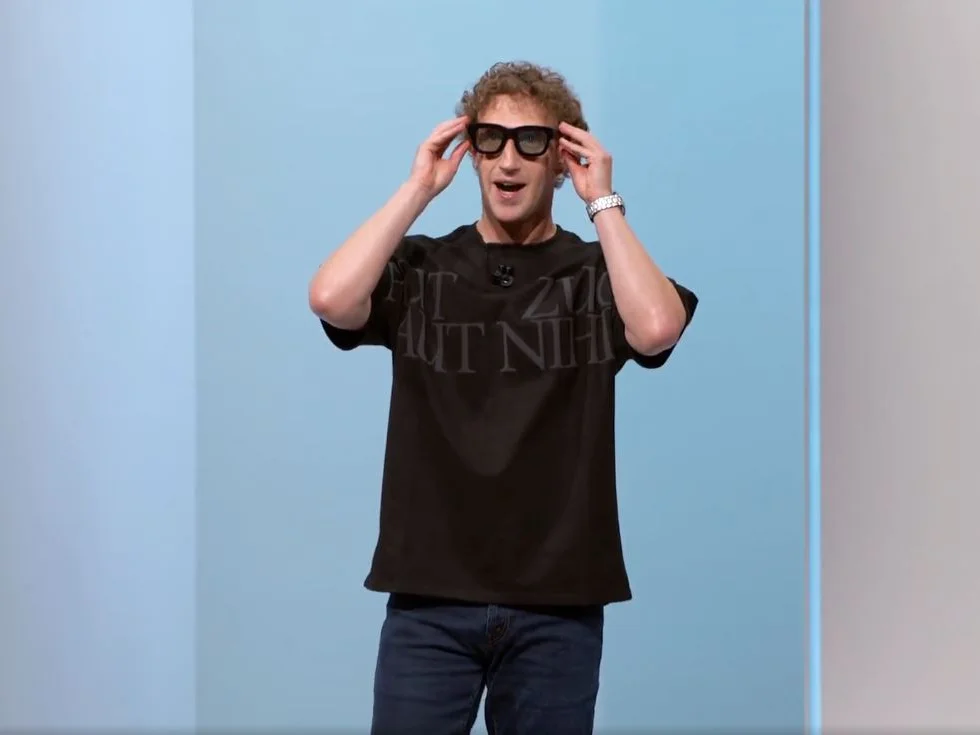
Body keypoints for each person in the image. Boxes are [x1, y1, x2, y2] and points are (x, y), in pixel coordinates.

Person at [308, 61, 698, 735]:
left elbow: (658, 328)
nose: (509, 160)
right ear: (473, 151)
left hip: (557, 602)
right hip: (429, 598)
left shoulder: (594, 275)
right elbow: (331, 298)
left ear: (561, 157)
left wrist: (603, 202)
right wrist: (417, 189)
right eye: (491, 140)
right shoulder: (422, 268)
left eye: (531, 142)